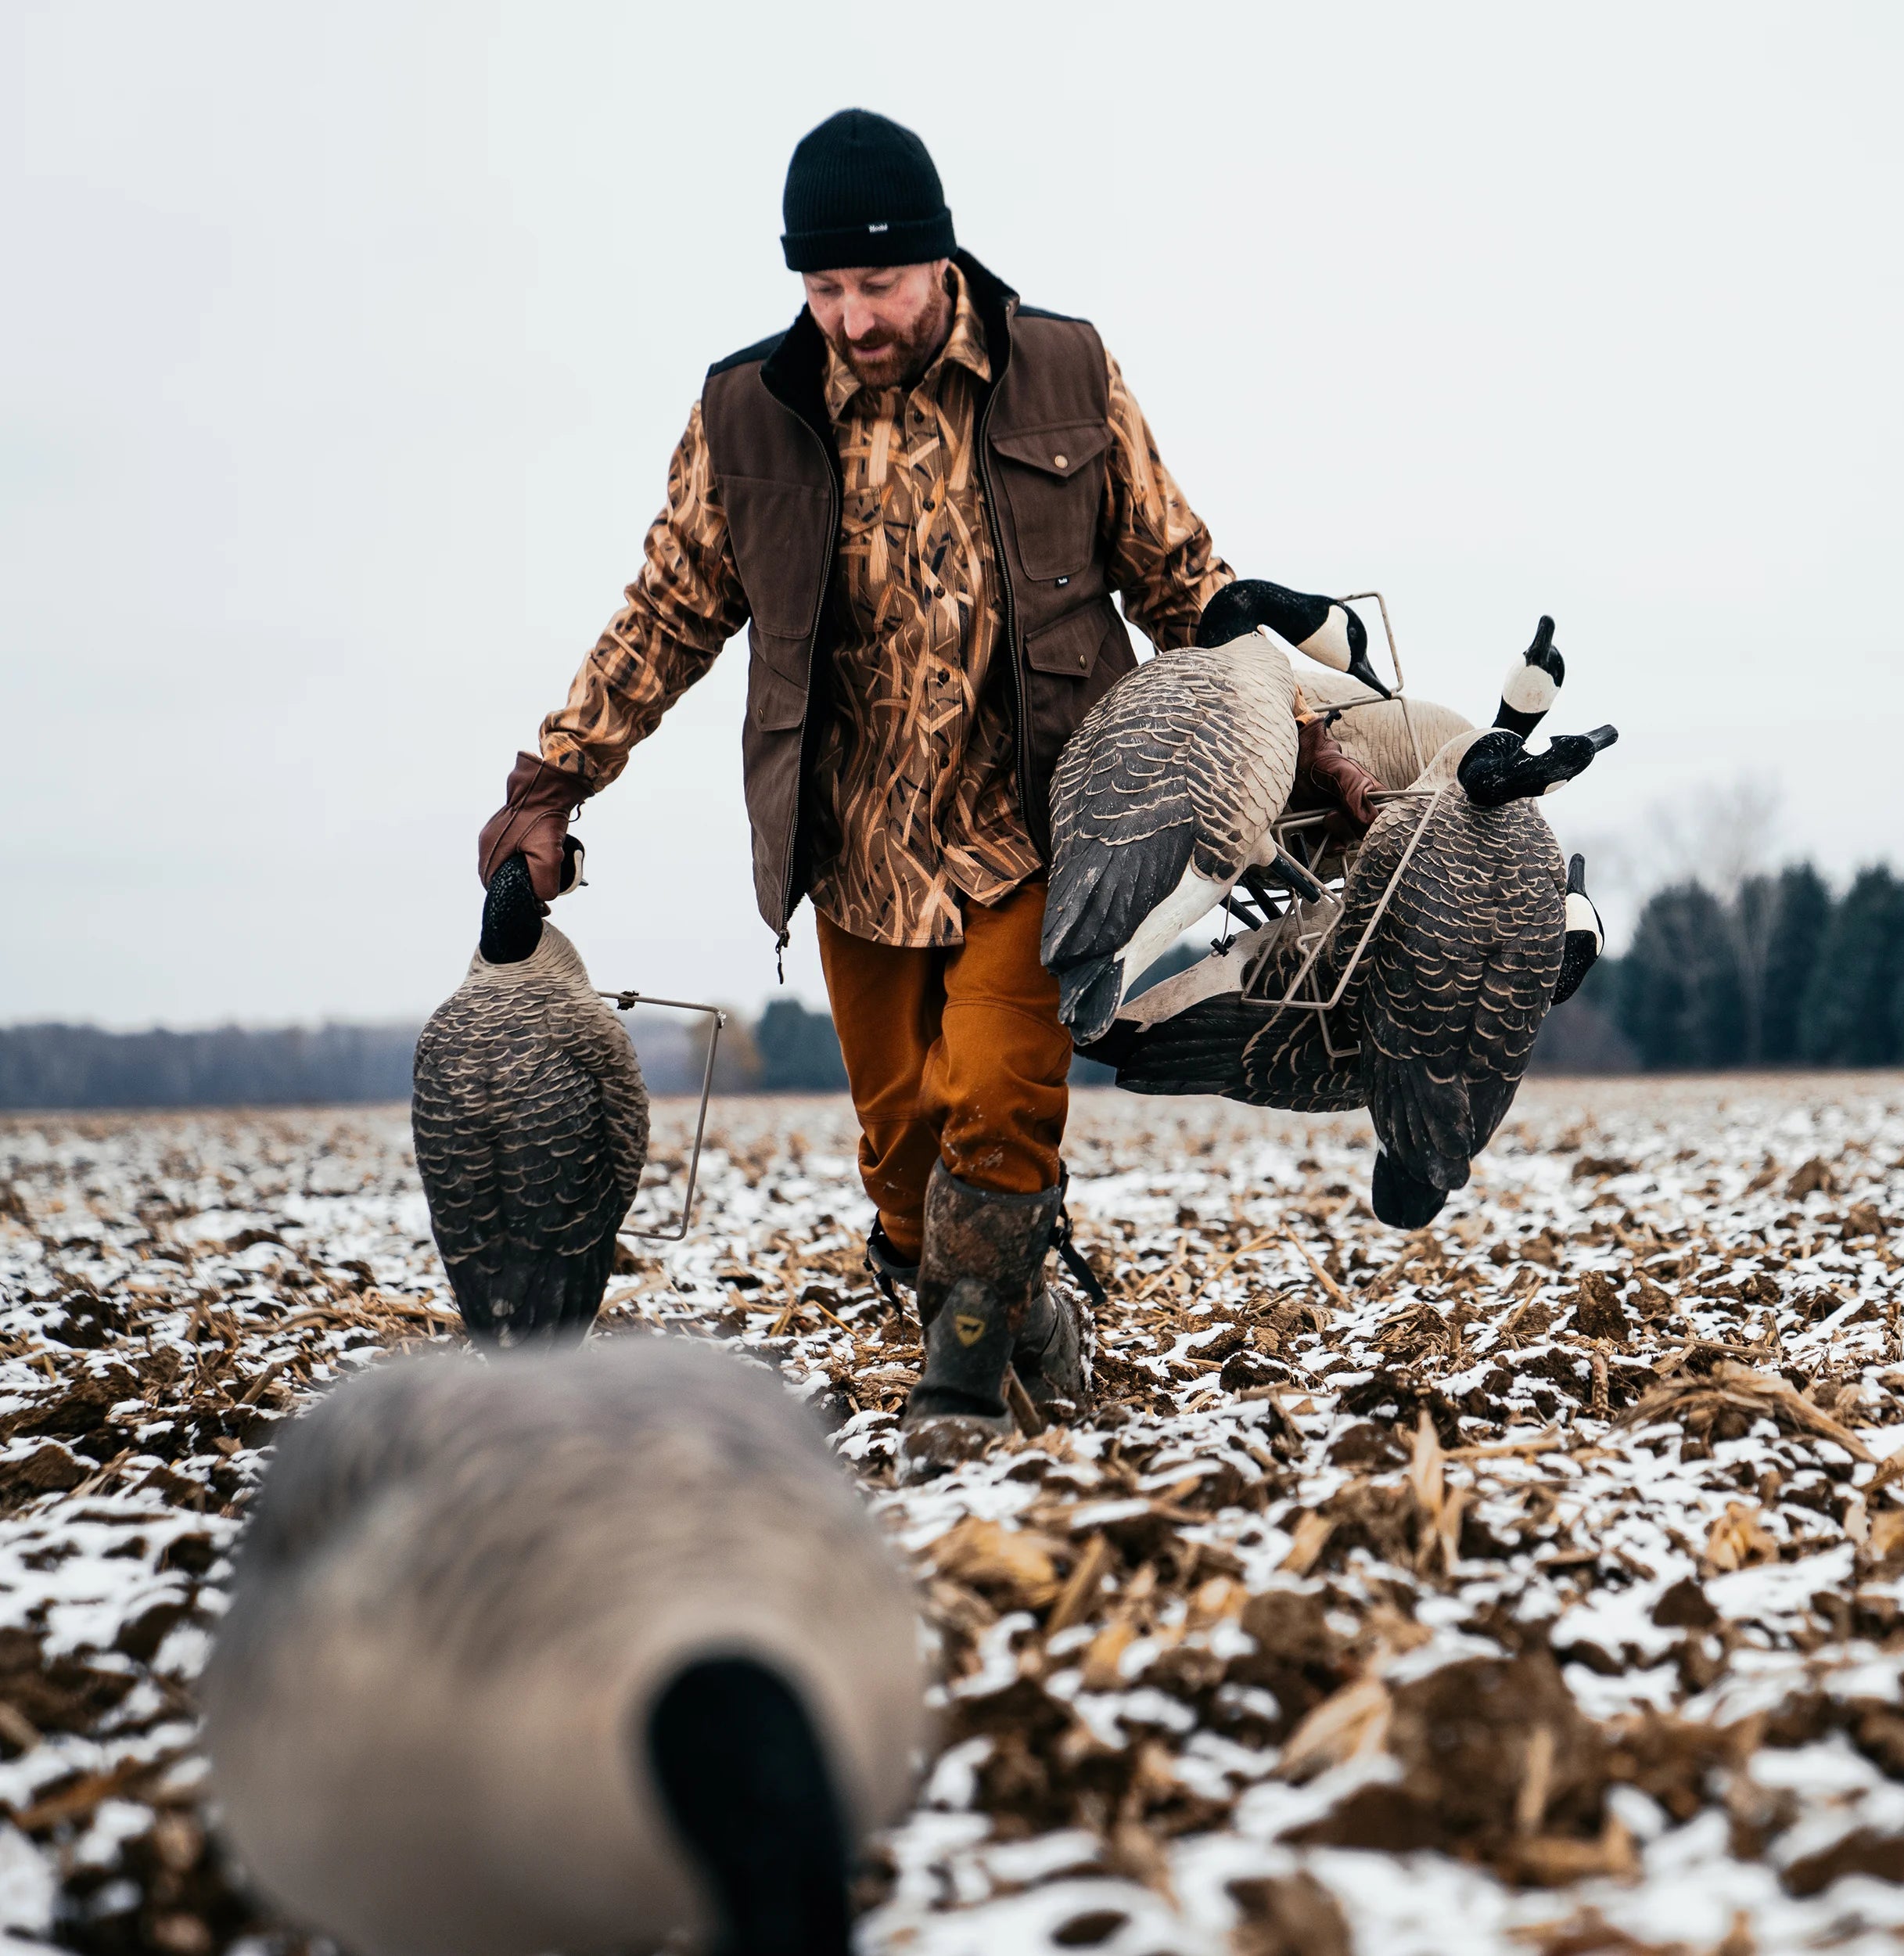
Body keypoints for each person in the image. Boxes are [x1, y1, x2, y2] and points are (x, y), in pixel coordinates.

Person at [477, 108, 1380, 1477]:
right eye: (823, 289)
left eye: (877, 285)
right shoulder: (748, 416)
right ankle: (1017, 1316)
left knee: (1001, 1096)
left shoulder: (1063, 372)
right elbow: (665, 615)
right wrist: (553, 782)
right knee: (903, 1148)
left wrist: (1303, 731)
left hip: (1049, 824)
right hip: (855, 849)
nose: (850, 317)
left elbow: (1184, 579)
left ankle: (958, 1393)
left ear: (941, 259)